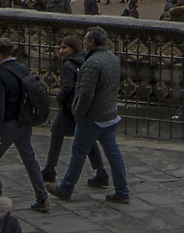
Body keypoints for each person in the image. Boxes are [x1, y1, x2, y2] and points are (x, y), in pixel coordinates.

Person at [54, 25, 132, 201]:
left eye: (86, 38)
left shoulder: (91, 63)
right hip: (110, 114)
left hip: (93, 117)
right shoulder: (112, 58)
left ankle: (66, 188)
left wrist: (77, 112)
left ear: (92, 42)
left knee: (78, 153)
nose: (83, 41)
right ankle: (122, 190)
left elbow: (86, 93)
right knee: (113, 153)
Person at [0, 40, 49, 210]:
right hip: (24, 121)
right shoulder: (21, 68)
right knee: (29, 159)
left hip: (8, 123)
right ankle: (42, 197)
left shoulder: (0, 75)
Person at [43, 37, 106, 186]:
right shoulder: (85, 60)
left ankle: (50, 170)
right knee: (88, 138)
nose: (61, 51)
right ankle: (101, 172)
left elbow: (66, 87)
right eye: (60, 48)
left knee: (57, 134)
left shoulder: (68, 65)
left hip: (69, 107)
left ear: (73, 49)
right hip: (84, 105)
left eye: (64, 48)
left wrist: (59, 98)